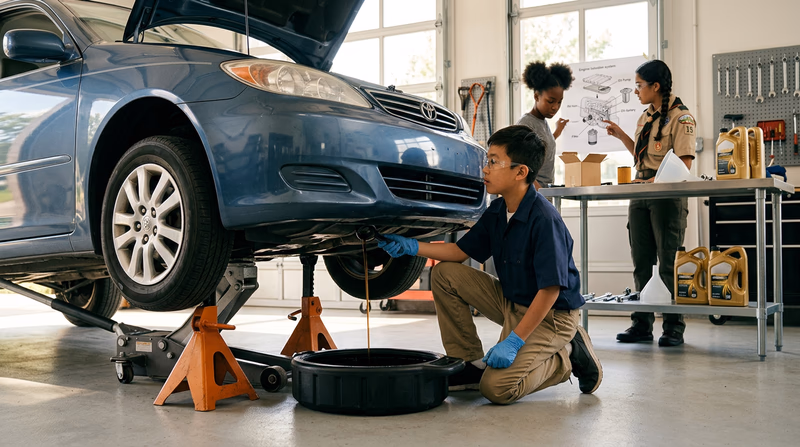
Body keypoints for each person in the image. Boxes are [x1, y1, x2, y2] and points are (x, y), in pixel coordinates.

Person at [376, 125, 602, 404]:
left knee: (497, 389)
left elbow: (550, 291)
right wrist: (412, 247)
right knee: (445, 274)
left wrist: (515, 340)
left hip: (550, 316)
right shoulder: (497, 210)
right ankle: (468, 363)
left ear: (521, 172)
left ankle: (566, 354)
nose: (485, 169)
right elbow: (460, 252)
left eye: (494, 162)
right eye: (487, 160)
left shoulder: (544, 220)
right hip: (512, 302)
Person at [603, 59, 697, 347]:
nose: (636, 91)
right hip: (641, 193)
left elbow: (684, 164)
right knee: (642, 261)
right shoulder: (645, 118)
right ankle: (641, 324)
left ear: (655, 86)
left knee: (668, 261)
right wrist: (622, 136)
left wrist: (652, 183)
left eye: (640, 85)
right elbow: (641, 157)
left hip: (666, 196)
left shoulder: (682, 118)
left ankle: (673, 327)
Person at [517, 61, 574, 189]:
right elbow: (520, 164)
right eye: (550, 101)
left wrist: (557, 132)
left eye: (559, 102)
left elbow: (541, 148)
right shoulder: (527, 124)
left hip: (543, 192)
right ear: (536, 97)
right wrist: (540, 193)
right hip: (534, 194)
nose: (555, 107)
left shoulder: (542, 122)